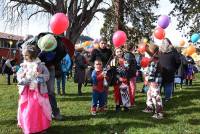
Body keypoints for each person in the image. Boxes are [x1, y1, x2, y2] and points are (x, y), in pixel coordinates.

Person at [17, 45, 51, 134]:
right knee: (27, 109)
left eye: (26, 55)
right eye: (23, 55)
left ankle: (41, 127)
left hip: (38, 91)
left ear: (33, 55)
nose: (24, 57)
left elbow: (47, 76)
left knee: (37, 108)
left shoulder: (40, 65)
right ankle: (28, 127)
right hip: (27, 92)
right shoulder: (23, 66)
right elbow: (18, 76)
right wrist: (22, 78)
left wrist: (39, 76)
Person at [142, 44, 163, 119]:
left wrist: (147, 79)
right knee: (149, 94)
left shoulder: (154, 60)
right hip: (154, 80)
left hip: (154, 81)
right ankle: (149, 108)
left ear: (152, 51)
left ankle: (159, 113)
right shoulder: (155, 58)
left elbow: (152, 72)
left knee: (156, 96)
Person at [110, 47, 130, 111]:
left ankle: (125, 106)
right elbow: (113, 71)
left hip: (124, 79)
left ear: (122, 52)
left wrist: (126, 67)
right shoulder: (113, 61)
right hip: (117, 80)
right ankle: (117, 105)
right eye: (117, 52)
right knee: (117, 93)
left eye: (120, 51)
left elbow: (127, 70)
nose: (119, 53)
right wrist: (119, 77)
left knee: (125, 92)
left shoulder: (125, 60)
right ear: (115, 53)